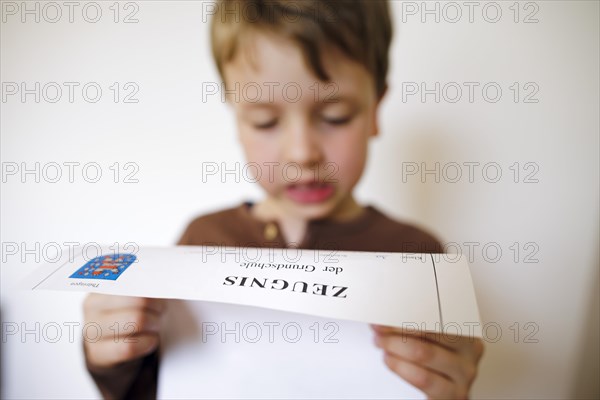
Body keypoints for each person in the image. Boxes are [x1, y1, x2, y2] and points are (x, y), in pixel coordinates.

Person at [83, 1, 484, 398]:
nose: (301, 153)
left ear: (376, 108)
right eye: (265, 121)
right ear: (236, 120)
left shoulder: (418, 256)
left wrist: (449, 387)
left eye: (336, 116)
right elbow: (159, 384)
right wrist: (115, 354)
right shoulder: (203, 238)